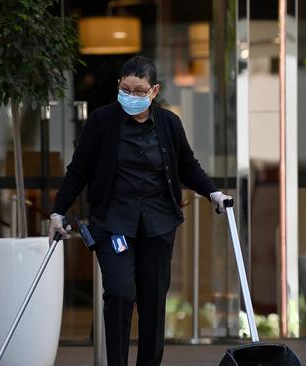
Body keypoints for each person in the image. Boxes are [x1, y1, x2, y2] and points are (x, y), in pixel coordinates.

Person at [49, 56, 232, 366]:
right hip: (113, 222)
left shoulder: (169, 123)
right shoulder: (102, 122)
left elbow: (187, 165)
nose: (130, 97)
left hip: (158, 223)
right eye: (125, 89)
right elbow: (79, 169)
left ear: (154, 90)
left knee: (152, 301)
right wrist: (57, 210)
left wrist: (212, 192)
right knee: (119, 293)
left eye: (139, 91)